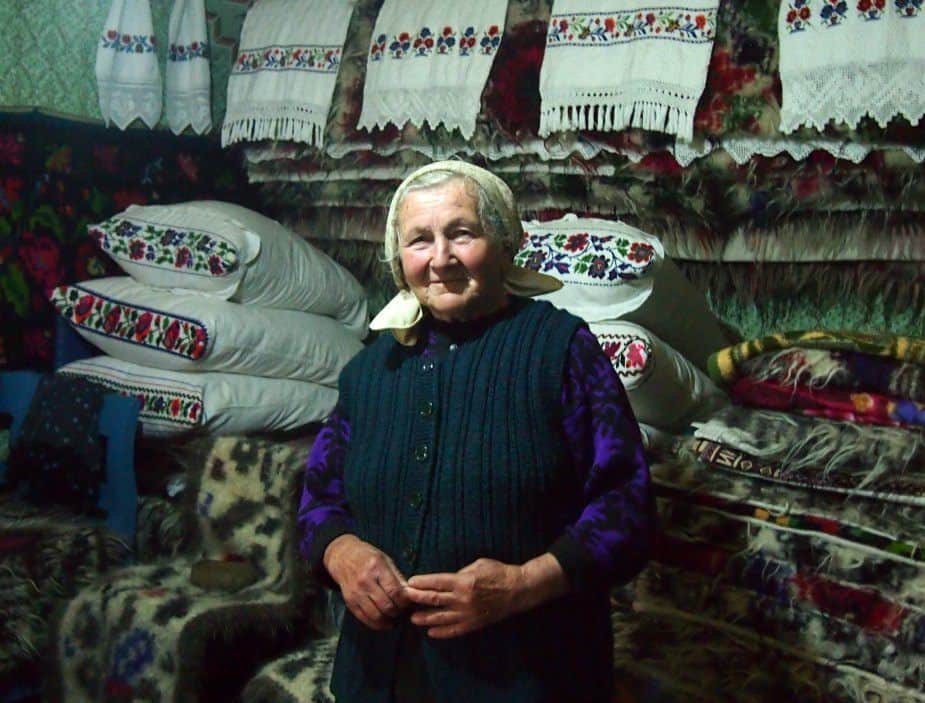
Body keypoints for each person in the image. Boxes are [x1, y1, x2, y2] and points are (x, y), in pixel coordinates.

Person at [298, 161, 654, 703]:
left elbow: (627, 503)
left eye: (461, 233)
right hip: (380, 678)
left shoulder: (560, 349)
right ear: (401, 260)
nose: (440, 259)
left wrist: (524, 584)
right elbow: (320, 497)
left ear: (504, 242)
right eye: (419, 240)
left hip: (530, 678)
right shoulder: (370, 370)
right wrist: (340, 551)